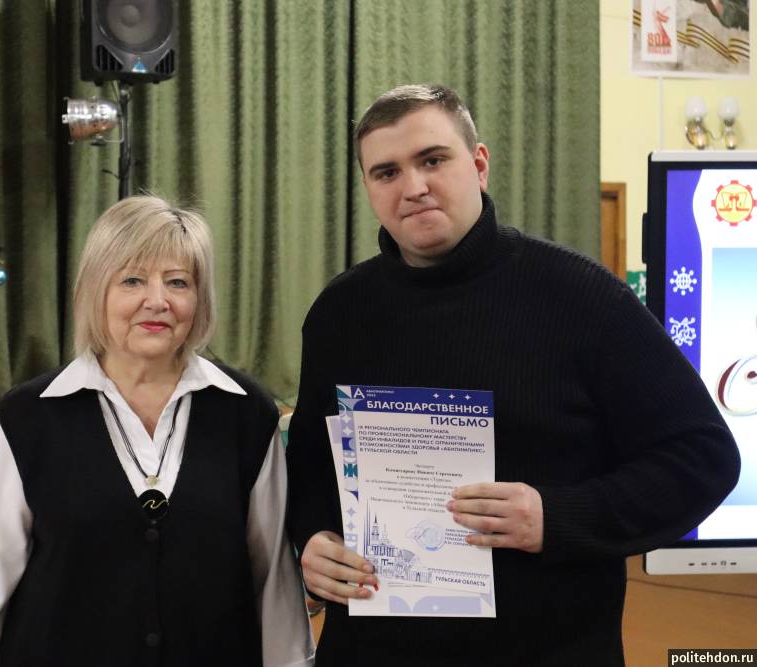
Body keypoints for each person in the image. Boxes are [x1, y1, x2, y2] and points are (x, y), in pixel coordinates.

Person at [285, 84, 741, 666]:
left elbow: (703, 459)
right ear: (370, 188)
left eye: (432, 160)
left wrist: (556, 517)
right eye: (387, 172)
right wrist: (314, 539)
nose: (413, 186)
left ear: (479, 165)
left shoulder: (582, 297)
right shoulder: (338, 314)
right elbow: (310, 471)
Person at [0, 195, 314, 667]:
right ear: (97, 291)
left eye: (178, 282)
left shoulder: (247, 413)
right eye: (132, 280)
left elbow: (272, 579)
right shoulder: (30, 417)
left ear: (200, 299)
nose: (158, 301)